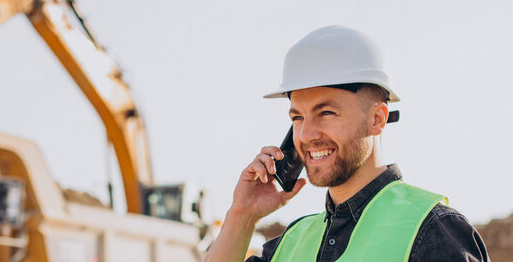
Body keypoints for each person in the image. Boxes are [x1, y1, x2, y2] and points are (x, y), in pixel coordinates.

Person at [204, 26, 489, 261]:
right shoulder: (288, 247)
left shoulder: (432, 232)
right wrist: (243, 215)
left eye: (326, 113)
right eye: (298, 117)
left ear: (377, 119)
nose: (305, 135)